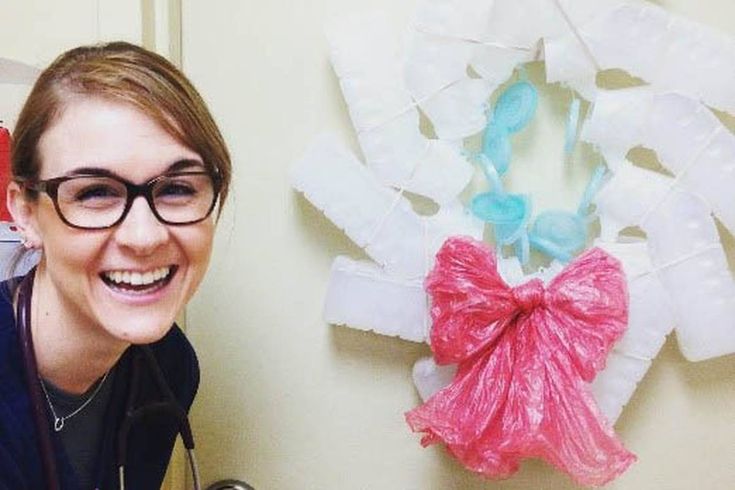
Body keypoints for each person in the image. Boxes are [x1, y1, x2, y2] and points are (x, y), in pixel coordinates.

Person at [0, 41, 231, 489]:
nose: (144, 237)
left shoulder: (168, 367)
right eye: (94, 192)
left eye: (178, 188)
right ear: (25, 213)